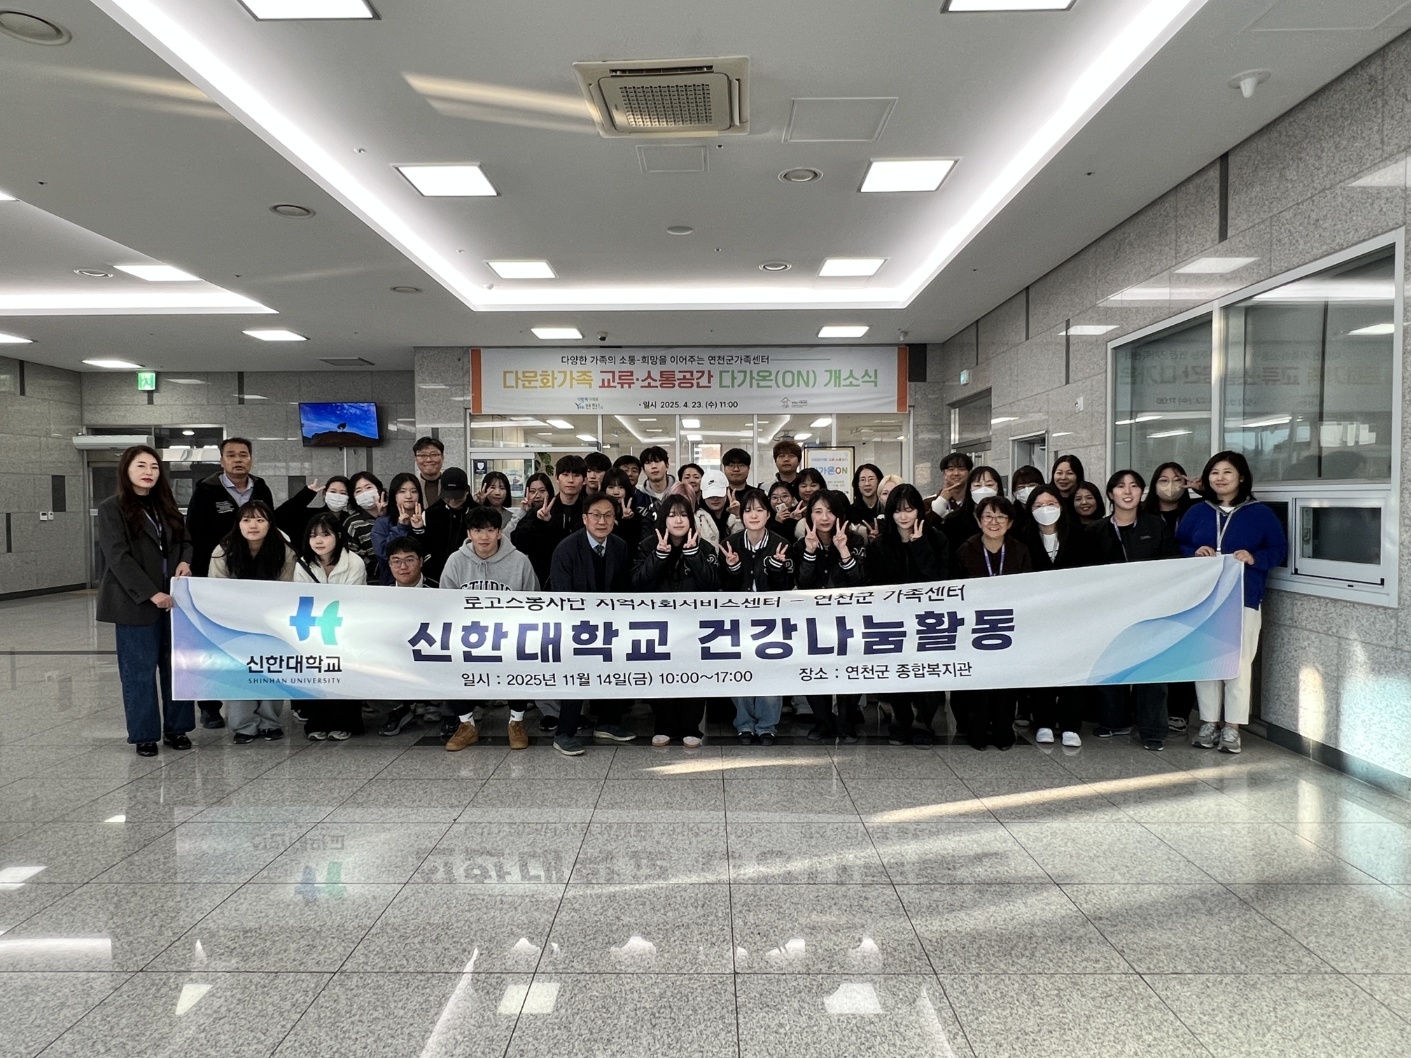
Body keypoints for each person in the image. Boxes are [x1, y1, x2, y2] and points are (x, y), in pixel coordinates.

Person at [1177, 451, 1288, 755]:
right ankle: (1208, 722)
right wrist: (1193, 552)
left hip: (1243, 598)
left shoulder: (1260, 514)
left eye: (1227, 472)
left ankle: (1232, 727)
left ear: (1241, 477)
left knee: (1238, 663)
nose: (1220, 478)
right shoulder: (1197, 512)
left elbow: (1279, 549)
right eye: (1214, 472)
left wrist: (1254, 557)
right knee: (1204, 661)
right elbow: (1178, 544)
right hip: (1203, 600)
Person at [97, 445, 195, 757]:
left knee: (176, 667)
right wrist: (152, 594)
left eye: (153, 467)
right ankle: (144, 735)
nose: (148, 472)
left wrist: (185, 561)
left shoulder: (165, 505)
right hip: (135, 603)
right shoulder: (112, 509)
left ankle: (177, 729)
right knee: (138, 672)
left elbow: (185, 541)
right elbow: (118, 558)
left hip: (174, 601)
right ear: (126, 470)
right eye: (141, 466)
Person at [184, 436, 274, 730]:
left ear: (251, 459)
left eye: (243, 455)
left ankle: (257, 704)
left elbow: (271, 528)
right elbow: (194, 534)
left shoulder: (261, 488)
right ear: (222, 460)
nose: (238, 460)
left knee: (252, 644)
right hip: (215, 576)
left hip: (257, 581)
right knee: (212, 644)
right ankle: (209, 706)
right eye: (231, 455)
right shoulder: (206, 491)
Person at [1086, 469, 1178, 750]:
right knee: (1111, 665)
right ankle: (1115, 721)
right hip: (1109, 611)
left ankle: (1153, 730)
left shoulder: (1156, 526)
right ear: (1110, 493)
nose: (1127, 491)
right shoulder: (1095, 531)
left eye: (1134, 486)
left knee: (1151, 670)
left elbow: (1172, 566)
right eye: (1120, 486)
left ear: (1142, 492)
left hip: (1150, 610)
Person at [441, 506, 542, 752]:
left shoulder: (520, 561)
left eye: (489, 530)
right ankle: (466, 724)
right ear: (469, 533)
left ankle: (516, 721)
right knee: (447, 659)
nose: (484, 536)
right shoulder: (456, 561)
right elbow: (444, 603)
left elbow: (534, 600)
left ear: (499, 532)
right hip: (467, 636)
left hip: (509, 634)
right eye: (477, 530)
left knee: (522, 655)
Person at [546, 493, 636, 755]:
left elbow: (624, 588)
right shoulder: (566, 549)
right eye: (596, 515)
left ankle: (608, 723)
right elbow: (561, 594)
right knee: (577, 675)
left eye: (608, 515)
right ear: (585, 518)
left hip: (610, 624)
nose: (602, 521)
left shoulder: (619, 546)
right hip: (575, 625)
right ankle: (564, 733)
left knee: (616, 669)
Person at [632, 490, 721, 746]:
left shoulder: (704, 547)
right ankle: (665, 726)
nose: (678, 520)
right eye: (672, 515)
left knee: (694, 674)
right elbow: (637, 583)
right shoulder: (648, 545)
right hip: (658, 626)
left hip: (695, 627)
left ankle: (691, 727)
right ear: (663, 519)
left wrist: (694, 556)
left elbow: (713, 585)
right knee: (661, 674)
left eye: (683, 515)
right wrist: (659, 556)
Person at [867, 483, 951, 745]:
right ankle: (900, 718)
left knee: (930, 669)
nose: (903, 516)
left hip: (929, 619)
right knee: (897, 669)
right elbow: (874, 584)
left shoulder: (936, 538)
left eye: (909, 509)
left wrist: (919, 546)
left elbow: (940, 579)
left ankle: (923, 720)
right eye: (897, 510)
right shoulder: (881, 544)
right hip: (893, 620)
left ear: (919, 511)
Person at [209, 500, 296, 744]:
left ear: (270, 524)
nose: (253, 525)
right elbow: (215, 590)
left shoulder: (284, 550)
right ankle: (243, 725)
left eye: (260, 520)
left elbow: (288, 589)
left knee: (272, 670)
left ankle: (270, 722)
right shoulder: (223, 550)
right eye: (246, 520)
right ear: (238, 524)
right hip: (234, 623)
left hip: (272, 623)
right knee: (239, 671)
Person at [953, 496, 1030, 750]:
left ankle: (1003, 730)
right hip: (975, 627)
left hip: (1009, 625)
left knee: (1006, 681)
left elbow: (1030, 589)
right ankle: (976, 729)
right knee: (979, 681)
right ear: (979, 521)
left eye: (1000, 517)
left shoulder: (1020, 550)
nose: (994, 522)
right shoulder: (966, 550)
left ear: (1010, 523)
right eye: (988, 516)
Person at [1018, 485, 1091, 748]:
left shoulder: (1080, 536)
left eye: (1051, 504)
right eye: (1038, 505)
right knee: (1042, 670)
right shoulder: (1022, 538)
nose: (1045, 510)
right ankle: (1044, 722)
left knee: (1073, 669)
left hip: (1074, 615)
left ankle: (1071, 724)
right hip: (1037, 617)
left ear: (1061, 506)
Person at [721, 487, 793, 745]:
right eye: (748, 510)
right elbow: (724, 588)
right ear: (741, 514)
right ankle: (744, 723)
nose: (754, 515)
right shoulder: (730, 543)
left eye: (760, 510)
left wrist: (776, 569)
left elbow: (787, 588)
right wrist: (732, 568)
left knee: (770, 670)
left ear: (768, 514)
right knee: (739, 670)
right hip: (738, 618)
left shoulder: (781, 544)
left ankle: (767, 725)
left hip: (771, 619)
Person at [794, 489, 867, 741]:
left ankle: (846, 723)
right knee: (816, 670)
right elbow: (802, 584)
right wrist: (810, 552)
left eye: (830, 511)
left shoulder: (855, 541)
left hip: (850, 618)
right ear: (809, 516)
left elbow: (860, 581)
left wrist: (843, 550)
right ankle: (823, 723)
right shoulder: (800, 544)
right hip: (814, 621)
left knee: (850, 669)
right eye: (818, 511)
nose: (824, 517)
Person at [292, 512, 366, 741]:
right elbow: (302, 599)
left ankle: (345, 722)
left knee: (344, 673)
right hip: (314, 627)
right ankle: (317, 722)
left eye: (325, 534)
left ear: (338, 536)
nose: (319, 541)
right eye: (313, 536)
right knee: (315, 672)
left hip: (346, 626)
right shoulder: (303, 564)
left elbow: (351, 599)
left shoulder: (354, 562)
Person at [1143, 461, 1199, 733]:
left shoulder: (1197, 511)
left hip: (1188, 592)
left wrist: (1204, 491)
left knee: (1182, 651)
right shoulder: (1144, 515)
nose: (1170, 486)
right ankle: (1148, 711)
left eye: (1177, 480)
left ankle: (1179, 710)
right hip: (1151, 594)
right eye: (1163, 480)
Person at [511, 454, 587, 589]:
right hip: (544, 583)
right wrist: (539, 523)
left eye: (576, 475)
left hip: (581, 582)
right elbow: (518, 542)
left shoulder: (590, 511)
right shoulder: (539, 511)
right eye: (565, 475)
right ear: (557, 478)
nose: (570, 480)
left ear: (584, 479)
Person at [939, 464, 1005, 562]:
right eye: (977, 485)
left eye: (989, 485)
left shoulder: (1009, 517)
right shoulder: (953, 520)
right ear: (969, 489)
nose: (983, 490)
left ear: (998, 488)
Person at [372, 472, 426, 584]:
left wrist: (419, 529)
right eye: (402, 491)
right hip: (391, 584)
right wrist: (401, 527)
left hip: (424, 583)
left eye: (414, 491)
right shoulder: (383, 522)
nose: (408, 496)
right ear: (394, 495)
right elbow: (383, 554)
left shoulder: (428, 517)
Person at [423, 467, 472, 580]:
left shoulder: (477, 513)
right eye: (448, 497)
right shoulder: (430, 514)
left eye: (457, 497)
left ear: (467, 491)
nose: (453, 501)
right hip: (435, 578)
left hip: (469, 577)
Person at [696, 470, 743, 551]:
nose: (715, 499)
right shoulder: (697, 518)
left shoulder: (738, 515)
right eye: (711, 495)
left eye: (719, 495)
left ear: (727, 491)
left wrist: (738, 516)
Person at [603, 468, 646, 551]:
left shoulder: (637, 517)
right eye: (611, 487)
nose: (616, 492)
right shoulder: (597, 515)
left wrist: (627, 521)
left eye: (621, 487)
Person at [928, 452, 974, 519]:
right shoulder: (929, 502)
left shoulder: (975, 501)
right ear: (944, 473)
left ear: (969, 472)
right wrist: (941, 500)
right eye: (951, 469)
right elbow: (925, 524)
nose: (956, 473)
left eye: (961, 469)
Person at [788, 467, 827, 540]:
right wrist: (792, 521)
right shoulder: (790, 512)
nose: (808, 490)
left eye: (813, 485)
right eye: (803, 486)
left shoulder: (829, 511)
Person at [848, 463, 885, 527]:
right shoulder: (850, 512)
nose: (867, 483)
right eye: (862, 480)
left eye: (871, 479)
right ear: (857, 484)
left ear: (879, 481)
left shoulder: (885, 508)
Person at [413, 435, 445, 507]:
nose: (428, 460)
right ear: (415, 459)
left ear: (442, 457)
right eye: (423, 455)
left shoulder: (451, 485)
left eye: (434, 454)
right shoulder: (413, 486)